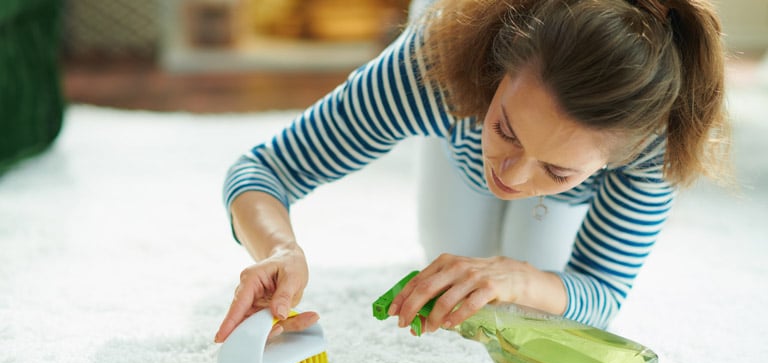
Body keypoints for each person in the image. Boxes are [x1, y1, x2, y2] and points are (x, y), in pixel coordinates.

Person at [213, 0, 730, 343]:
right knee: (451, 252)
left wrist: (519, 277)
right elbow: (264, 169)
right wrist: (281, 249)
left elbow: (602, 294)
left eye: (556, 168)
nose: (513, 176)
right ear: (498, 73)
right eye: (507, 130)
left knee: (525, 298)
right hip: (462, 51)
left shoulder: (654, 139)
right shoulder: (429, 66)